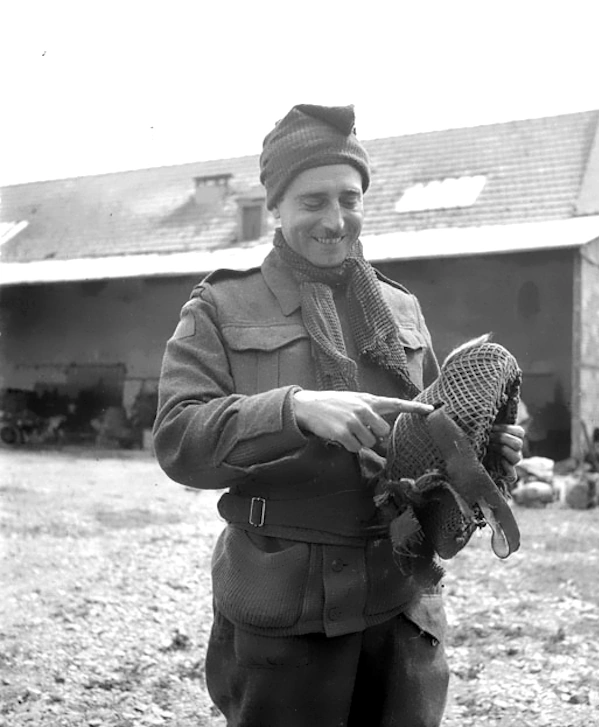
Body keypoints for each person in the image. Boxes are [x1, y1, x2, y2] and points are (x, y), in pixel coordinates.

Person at [153, 104, 524, 727]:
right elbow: (177, 439)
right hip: (286, 608)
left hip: (401, 601)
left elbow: (430, 435)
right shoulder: (220, 305)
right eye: (312, 201)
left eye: (349, 199)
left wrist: (486, 450)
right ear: (275, 205)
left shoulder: (400, 308)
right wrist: (294, 409)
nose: (334, 220)